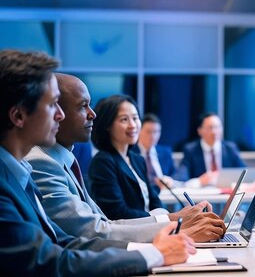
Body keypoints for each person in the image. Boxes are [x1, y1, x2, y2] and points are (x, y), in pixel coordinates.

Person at [0, 50, 194, 276]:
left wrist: (156, 249)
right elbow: (49, 263)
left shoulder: (20, 174)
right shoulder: (10, 181)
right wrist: (157, 253)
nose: (60, 115)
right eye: (53, 104)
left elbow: (65, 243)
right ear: (18, 116)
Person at [26, 73, 225, 243]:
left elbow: (104, 224)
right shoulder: (46, 162)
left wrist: (174, 220)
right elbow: (95, 230)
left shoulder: (68, 160)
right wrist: (175, 227)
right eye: (82, 106)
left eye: (135, 118)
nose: (91, 114)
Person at [88, 95, 166, 219]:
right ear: (107, 125)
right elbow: (116, 212)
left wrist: (165, 216)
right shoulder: (102, 162)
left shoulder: (137, 159)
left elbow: (154, 200)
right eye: (124, 119)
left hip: (152, 232)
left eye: (135, 118)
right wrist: (157, 218)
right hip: (128, 236)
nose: (133, 125)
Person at [179, 112, 246, 188]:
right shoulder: (191, 150)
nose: (214, 132)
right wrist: (199, 181)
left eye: (217, 127)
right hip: (201, 194)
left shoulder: (230, 148)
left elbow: (243, 173)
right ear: (200, 131)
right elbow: (182, 176)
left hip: (225, 191)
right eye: (210, 128)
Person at [134, 113, 178, 191]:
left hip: (165, 195)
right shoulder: (131, 152)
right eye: (149, 132)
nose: (152, 136)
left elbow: (174, 175)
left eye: (156, 132)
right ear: (139, 131)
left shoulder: (165, 152)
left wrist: (169, 181)